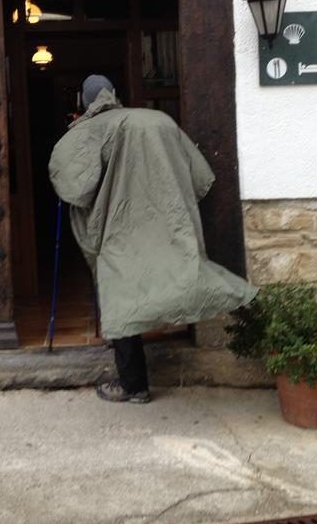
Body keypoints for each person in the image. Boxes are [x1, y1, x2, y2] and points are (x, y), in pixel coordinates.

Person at [49, 75, 257, 403]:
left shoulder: (90, 130)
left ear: (86, 101)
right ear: (113, 94)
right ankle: (245, 301)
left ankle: (133, 385)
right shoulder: (158, 119)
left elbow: (74, 186)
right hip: (167, 218)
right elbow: (199, 175)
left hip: (119, 225)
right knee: (172, 272)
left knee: (120, 291)